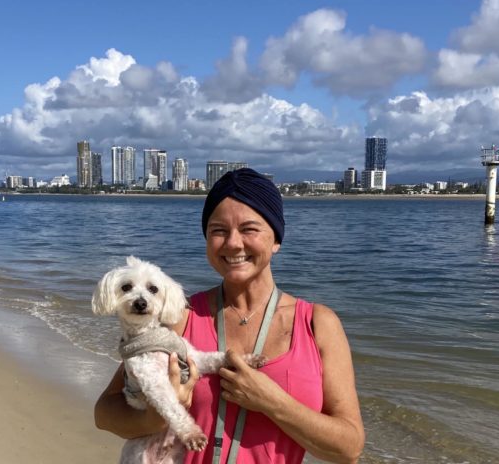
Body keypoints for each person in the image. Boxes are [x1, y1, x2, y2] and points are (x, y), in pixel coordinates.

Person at [95, 168, 364, 463]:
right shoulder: (181, 316)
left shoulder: (317, 324)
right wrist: (156, 417)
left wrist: (272, 402)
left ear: (276, 239)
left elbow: (349, 449)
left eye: (249, 229)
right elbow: (104, 414)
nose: (234, 243)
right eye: (219, 231)